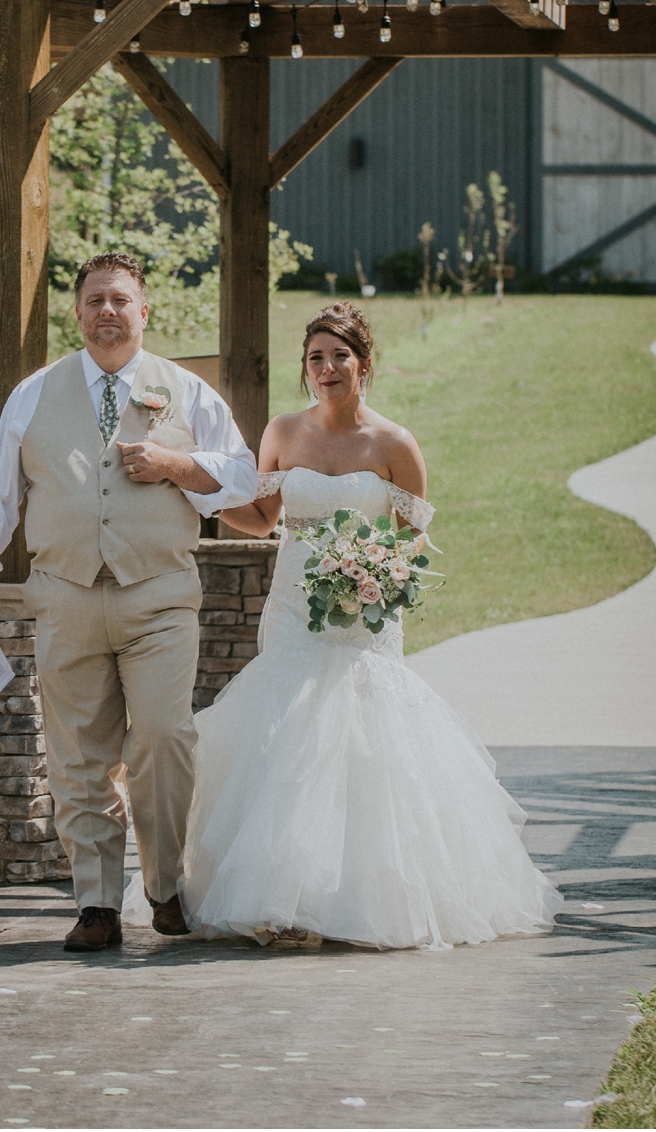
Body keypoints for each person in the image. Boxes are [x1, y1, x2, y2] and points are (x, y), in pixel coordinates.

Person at [179, 302, 563, 949]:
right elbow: (263, 518)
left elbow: (415, 541)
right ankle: (281, 902)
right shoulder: (282, 431)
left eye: (339, 356)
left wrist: (373, 572)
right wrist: (197, 488)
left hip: (362, 616)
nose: (326, 368)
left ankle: (354, 900)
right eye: (315, 358)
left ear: (364, 363)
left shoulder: (393, 444)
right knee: (287, 741)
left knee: (360, 740)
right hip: (295, 607)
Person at [0, 251, 257, 951]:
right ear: (78, 312)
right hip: (66, 598)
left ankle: (166, 884)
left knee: (165, 739)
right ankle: (96, 902)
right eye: (95, 300)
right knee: (78, 757)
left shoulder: (186, 390)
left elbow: (242, 477)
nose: (108, 310)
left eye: (121, 299)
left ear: (144, 311)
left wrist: (177, 465)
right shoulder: (34, 393)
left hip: (159, 598)